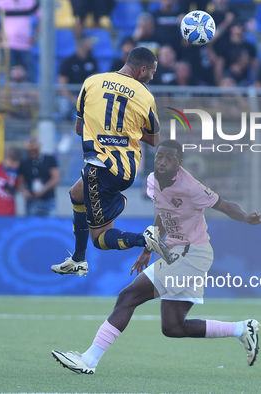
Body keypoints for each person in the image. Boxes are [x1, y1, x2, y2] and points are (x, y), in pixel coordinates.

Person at [51, 140, 261, 374]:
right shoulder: (153, 180)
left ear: (180, 162)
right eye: (160, 157)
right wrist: (147, 249)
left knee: (128, 296)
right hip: (176, 253)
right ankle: (242, 329)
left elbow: (225, 206)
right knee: (173, 326)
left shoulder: (191, 187)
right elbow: (164, 215)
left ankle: (89, 360)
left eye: (169, 158)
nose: (162, 161)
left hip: (192, 254)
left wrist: (246, 217)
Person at [50, 47, 171, 277]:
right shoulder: (145, 95)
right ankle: (78, 258)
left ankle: (145, 238)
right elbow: (155, 139)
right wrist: (130, 132)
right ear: (142, 69)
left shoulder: (92, 82)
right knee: (77, 193)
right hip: (126, 167)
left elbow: (78, 128)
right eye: (152, 72)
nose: (152, 77)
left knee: (101, 239)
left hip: (102, 166)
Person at [0, 0, 39, 82]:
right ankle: (8, 94)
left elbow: (43, 17)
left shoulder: (30, 2)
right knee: (8, 76)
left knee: (29, 76)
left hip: (26, 46)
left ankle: (30, 94)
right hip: (8, 46)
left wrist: (36, 36)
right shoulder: (0, 3)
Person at [17, 137, 60, 217]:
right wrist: (24, 192)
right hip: (31, 200)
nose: (32, 152)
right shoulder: (24, 162)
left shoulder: (50, 159)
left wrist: (44, 189)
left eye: (34, 150)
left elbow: (55, 178)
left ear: (39, 147)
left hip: (48, 199)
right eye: (30, 151)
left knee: (51, 226)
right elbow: (20, 182)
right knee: (33, 227)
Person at [58, 35, 98, 113]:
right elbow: (62, 87)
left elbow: (97, 83)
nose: (92, 44)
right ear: (82, 44)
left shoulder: (92, 61)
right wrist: (75, 100)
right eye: (89, 42)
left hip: (87, 96)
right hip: (71, 96)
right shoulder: (68, 62)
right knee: (64, 104)